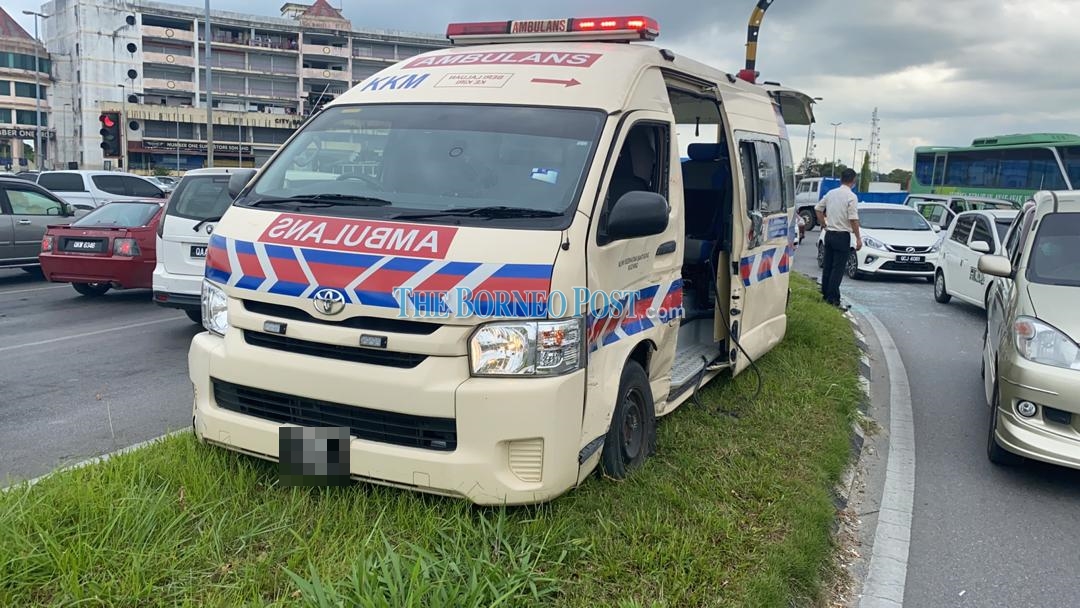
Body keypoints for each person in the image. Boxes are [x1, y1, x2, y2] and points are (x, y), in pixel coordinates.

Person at [816, 168, 862, 310]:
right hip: (842, 235)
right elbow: (853, 219)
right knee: (838, 269)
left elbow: (818, 208)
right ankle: (833, 299)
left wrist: (823, 223)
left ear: (841, 179)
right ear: (853, 181)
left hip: (829, 234)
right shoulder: (851, 197)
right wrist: (858, 238)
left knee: (828, 266)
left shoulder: (831, 193)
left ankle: (825, 293)